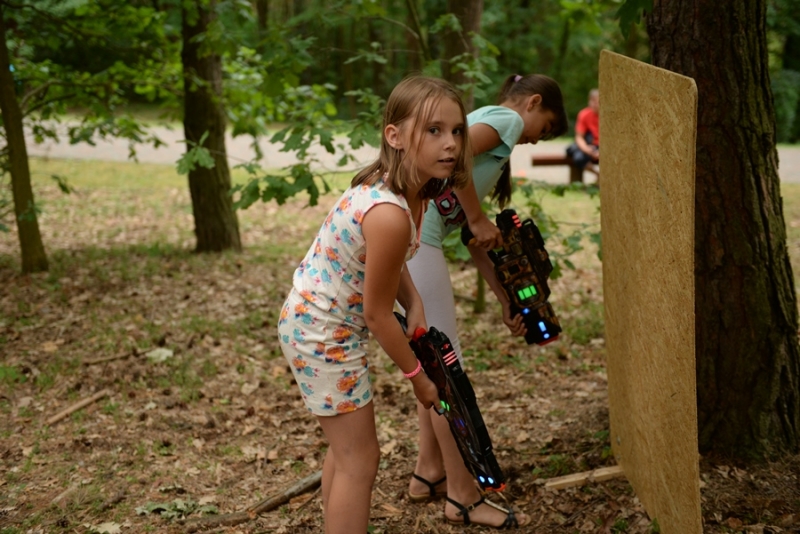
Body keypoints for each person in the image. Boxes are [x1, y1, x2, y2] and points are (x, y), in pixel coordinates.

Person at [278, 75, 473, 534]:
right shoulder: (388, 212)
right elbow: (377, 314)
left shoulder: (412, 193)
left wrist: (415, 300)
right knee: (359, 460)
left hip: (324, 324)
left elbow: (385, 263)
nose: (450, 143)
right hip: (321, 332)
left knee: (347, 452)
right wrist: (418, 377)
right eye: (433, 130)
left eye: (457, 130)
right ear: (394, 136)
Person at [406, 73, 568, 529]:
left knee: (432, 363)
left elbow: (476, 239)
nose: (536, 140)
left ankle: (429, 472)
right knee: (447, 372)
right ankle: (462, 496)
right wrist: (477, 217)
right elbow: (454, 160)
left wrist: (504, 299)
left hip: (415, 237)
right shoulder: (506, 120)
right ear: (532, 102)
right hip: (417, 239)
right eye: (545, 128)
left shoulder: (491, 131)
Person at [566, 88, 600, 179]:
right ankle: (598, 175)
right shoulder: (584, 114)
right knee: (578, 158)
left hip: (605, 146)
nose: (595, 104)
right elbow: (579, 137)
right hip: (590, 146)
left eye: (597, 101)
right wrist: (587, 149)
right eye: (592, 101)